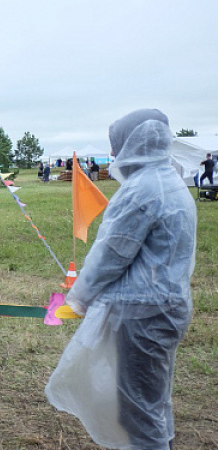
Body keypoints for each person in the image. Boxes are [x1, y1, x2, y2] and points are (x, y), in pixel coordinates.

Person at [45, 109, 196, 450]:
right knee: (153, 399)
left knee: (138, 408)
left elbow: (110, 255)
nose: (113, 153)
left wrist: (78, 300)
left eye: (117, 145)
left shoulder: (143, 190)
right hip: (166, 306)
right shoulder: (169, 181)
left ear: (135, 142)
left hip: (142, 313)